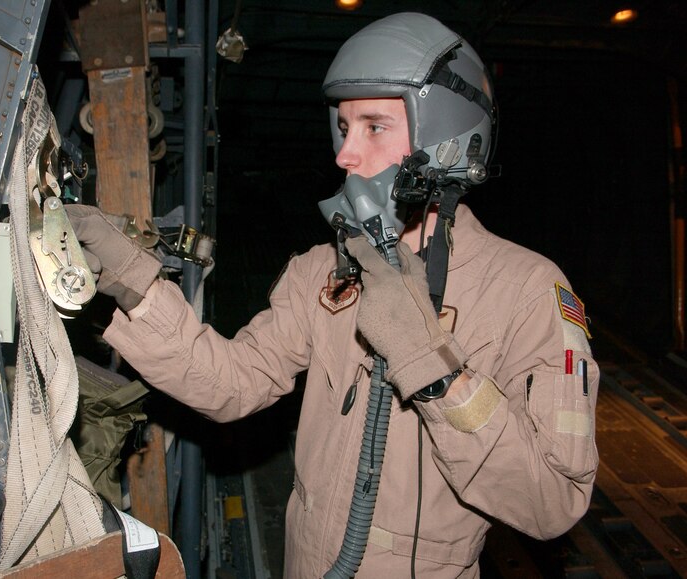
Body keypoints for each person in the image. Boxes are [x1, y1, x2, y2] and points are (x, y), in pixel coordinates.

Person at [65, 12, 598, 578]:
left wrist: (438, 372)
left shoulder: (524, 290)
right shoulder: (323, 269)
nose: (345, 155)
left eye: (374, 127)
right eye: (344, 128)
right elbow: (230, 382)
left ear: (444, 140)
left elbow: (552, 501)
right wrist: (130, 279)